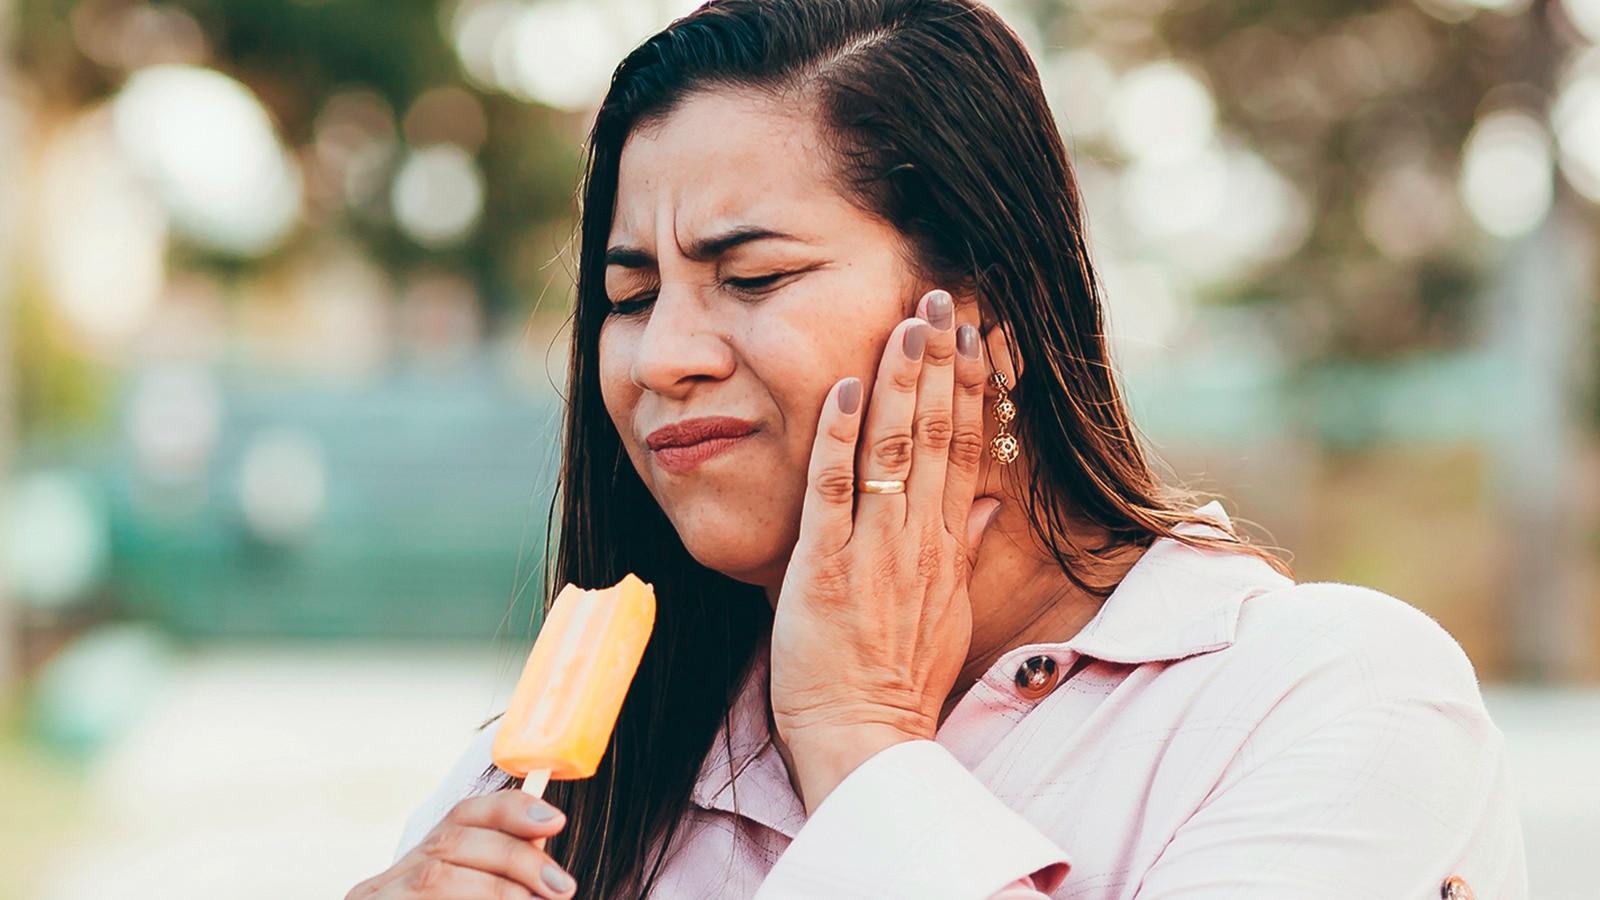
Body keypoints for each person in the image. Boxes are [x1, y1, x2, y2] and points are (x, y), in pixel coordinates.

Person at [347, 1, 1528, 897]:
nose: (662, 356)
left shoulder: (1331, 702)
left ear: (988, 312)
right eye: (628, 292)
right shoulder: (559, 782)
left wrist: (861, 743)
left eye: (751, 277)